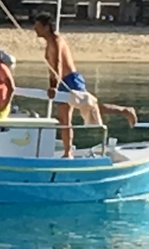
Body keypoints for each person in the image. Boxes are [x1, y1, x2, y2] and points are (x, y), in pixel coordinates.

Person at [34, 14, 137, 158]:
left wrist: (54, 86)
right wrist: (52, 85)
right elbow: (51, 68)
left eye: (38, 26)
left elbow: (58, 64)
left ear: (46, 27)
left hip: (71, 80)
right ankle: (67, 152)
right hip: (60, 82)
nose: (35, 29)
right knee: (64, 119)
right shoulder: (48, 43)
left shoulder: (57, 40)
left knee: (91, 107)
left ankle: (125, 110)